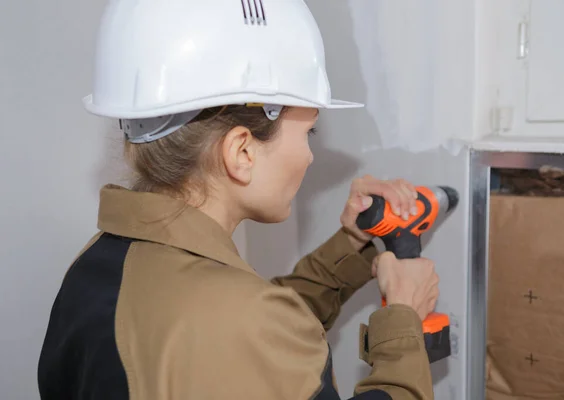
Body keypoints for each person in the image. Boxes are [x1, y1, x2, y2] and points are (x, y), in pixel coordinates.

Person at [37, 0, 440, 399]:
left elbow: (252, 335)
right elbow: (249, 328)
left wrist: (349, 244)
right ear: (241, 153)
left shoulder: (94, 270)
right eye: (308, 134)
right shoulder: (239, 317)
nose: (310, 156)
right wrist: (402, 320)